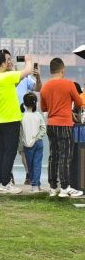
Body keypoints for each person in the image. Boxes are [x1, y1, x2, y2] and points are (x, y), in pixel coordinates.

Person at [41, 57, 81, 198]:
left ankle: (53, 187)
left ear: (51, 70)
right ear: (63, 70)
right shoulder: (69, 84)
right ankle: (65, 187)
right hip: (64, 124)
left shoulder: (45, 86)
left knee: (53, 155)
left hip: (51, 124)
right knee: (66, 156)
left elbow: (43, 107)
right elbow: (80, 101)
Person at [0, 50, 24, 193]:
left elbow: (16, 82)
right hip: (10, 120)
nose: (10, 61)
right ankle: (5, 183)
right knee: (10, 152)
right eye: (7, 59)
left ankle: (1, 182)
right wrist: (27, 60)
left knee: (2, 152)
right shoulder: (5, 77)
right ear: (2, 63)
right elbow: (26, 71)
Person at [22, 92, 47, 194]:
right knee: (37, 165)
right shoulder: (38, 115)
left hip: (27, 144)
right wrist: (37, 138)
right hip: (38, 143)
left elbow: (21, 132)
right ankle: (37, 185)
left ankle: (34, 184)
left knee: (30, 165)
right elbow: (43, 129)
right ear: (35, 103)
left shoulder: (22, 117)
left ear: (24, 103)